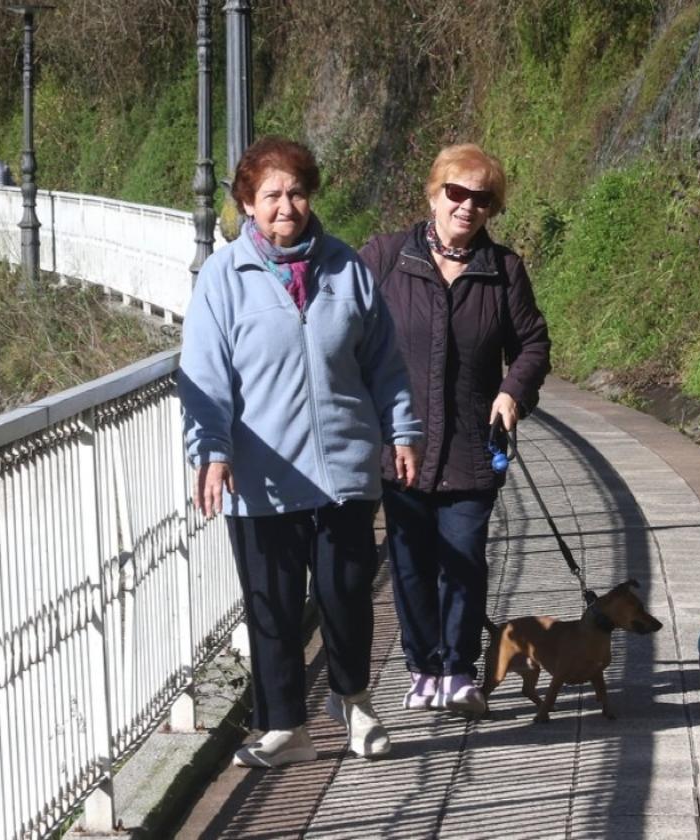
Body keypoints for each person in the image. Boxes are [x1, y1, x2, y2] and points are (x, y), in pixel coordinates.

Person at [179, 136, 423, 768]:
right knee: (273, 609)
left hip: (343, 468)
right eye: (271, 195)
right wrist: (210, 449)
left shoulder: (347, 268)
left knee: (346, 598)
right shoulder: (221, 278)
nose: (286, 206)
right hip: (261, 479)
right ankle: (286, 728)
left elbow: (386, 366)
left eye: (295, 192)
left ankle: (357, 705)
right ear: (245, 204)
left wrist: (402, 432)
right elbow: (203, 376)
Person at [360, 143, 550, 714]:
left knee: (464, 557)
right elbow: (339, 323)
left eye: (482, 199)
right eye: (457, 193)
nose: (467, 207)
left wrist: (512, 391)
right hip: (402, 446)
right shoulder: (387, 257)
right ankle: (422, 668)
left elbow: (533, 344)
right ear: (434, 193)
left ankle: (460, 670)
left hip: (471, 444)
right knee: (411, 562)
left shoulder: (503, 270)